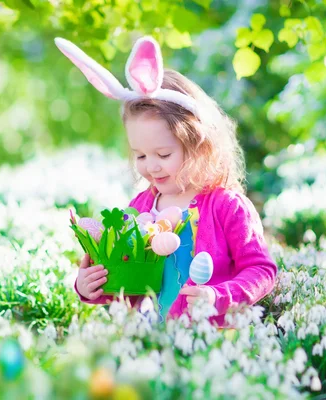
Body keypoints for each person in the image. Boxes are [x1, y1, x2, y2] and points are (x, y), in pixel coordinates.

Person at [55, 36, 277, 325]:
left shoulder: (226, 206)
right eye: (141, 156)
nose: (151, 167)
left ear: (198, 144)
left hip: (219, 347)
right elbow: (132, 284)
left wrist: (220, 296)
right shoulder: (141, 206)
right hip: (161, 342)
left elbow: (261, 270)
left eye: (162, 153)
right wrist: (91, 287)